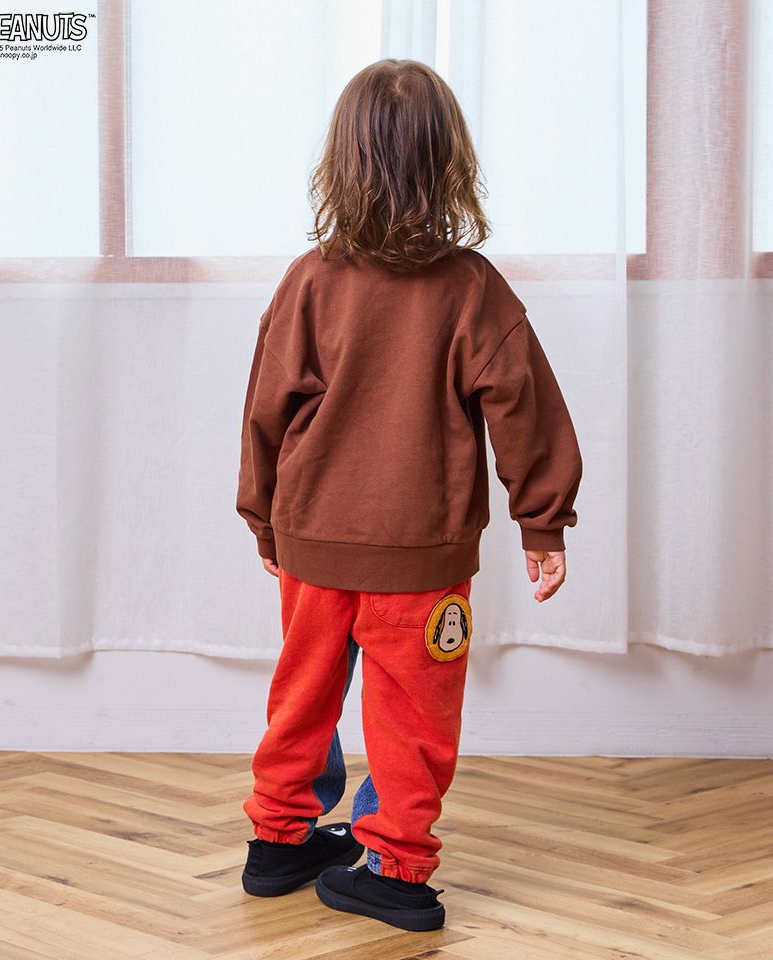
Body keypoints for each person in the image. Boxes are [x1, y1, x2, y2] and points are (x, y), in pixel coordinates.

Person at [235, 58, 583, 933]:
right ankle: (392, 868)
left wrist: (263, 518)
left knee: (302, 694)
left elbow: (266, 408)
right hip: (421, 557)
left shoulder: (309, 279)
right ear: (448, 164)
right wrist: (542, 523)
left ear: (341, 163)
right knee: (412, 713)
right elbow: (524, 405)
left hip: (313, 540)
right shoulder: (471, 288)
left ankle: (278, 842)